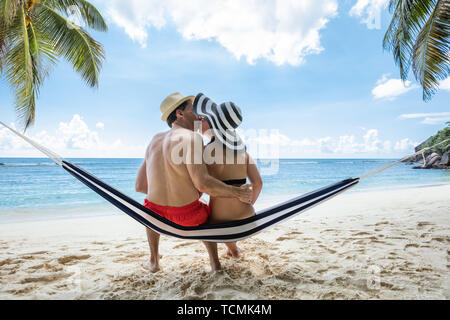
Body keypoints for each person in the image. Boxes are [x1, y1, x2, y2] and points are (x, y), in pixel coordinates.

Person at [135, 92, 253, 272]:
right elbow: (203, 184)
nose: (199, 115)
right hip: (188, 218)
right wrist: (237, 192)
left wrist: (168, 194)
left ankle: (154, 261)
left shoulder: (154, 140)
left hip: (155, 218)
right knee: (208, 213)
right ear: (180, 114)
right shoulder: (192, 138)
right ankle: (215, 263)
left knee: (148, 209)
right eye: (193, 110)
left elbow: (140, 186)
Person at [193, 93, 263, 269]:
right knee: (222, 224)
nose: (199, 122)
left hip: (220, 223)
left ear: (213, 123)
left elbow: (200, 184)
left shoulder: (205, 151)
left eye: (203, 119)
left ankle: (215, 262)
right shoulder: (243, 153)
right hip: (248, 219)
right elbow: (258, 183)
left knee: (200, 221)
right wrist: (248, 201)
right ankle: (234, 250)